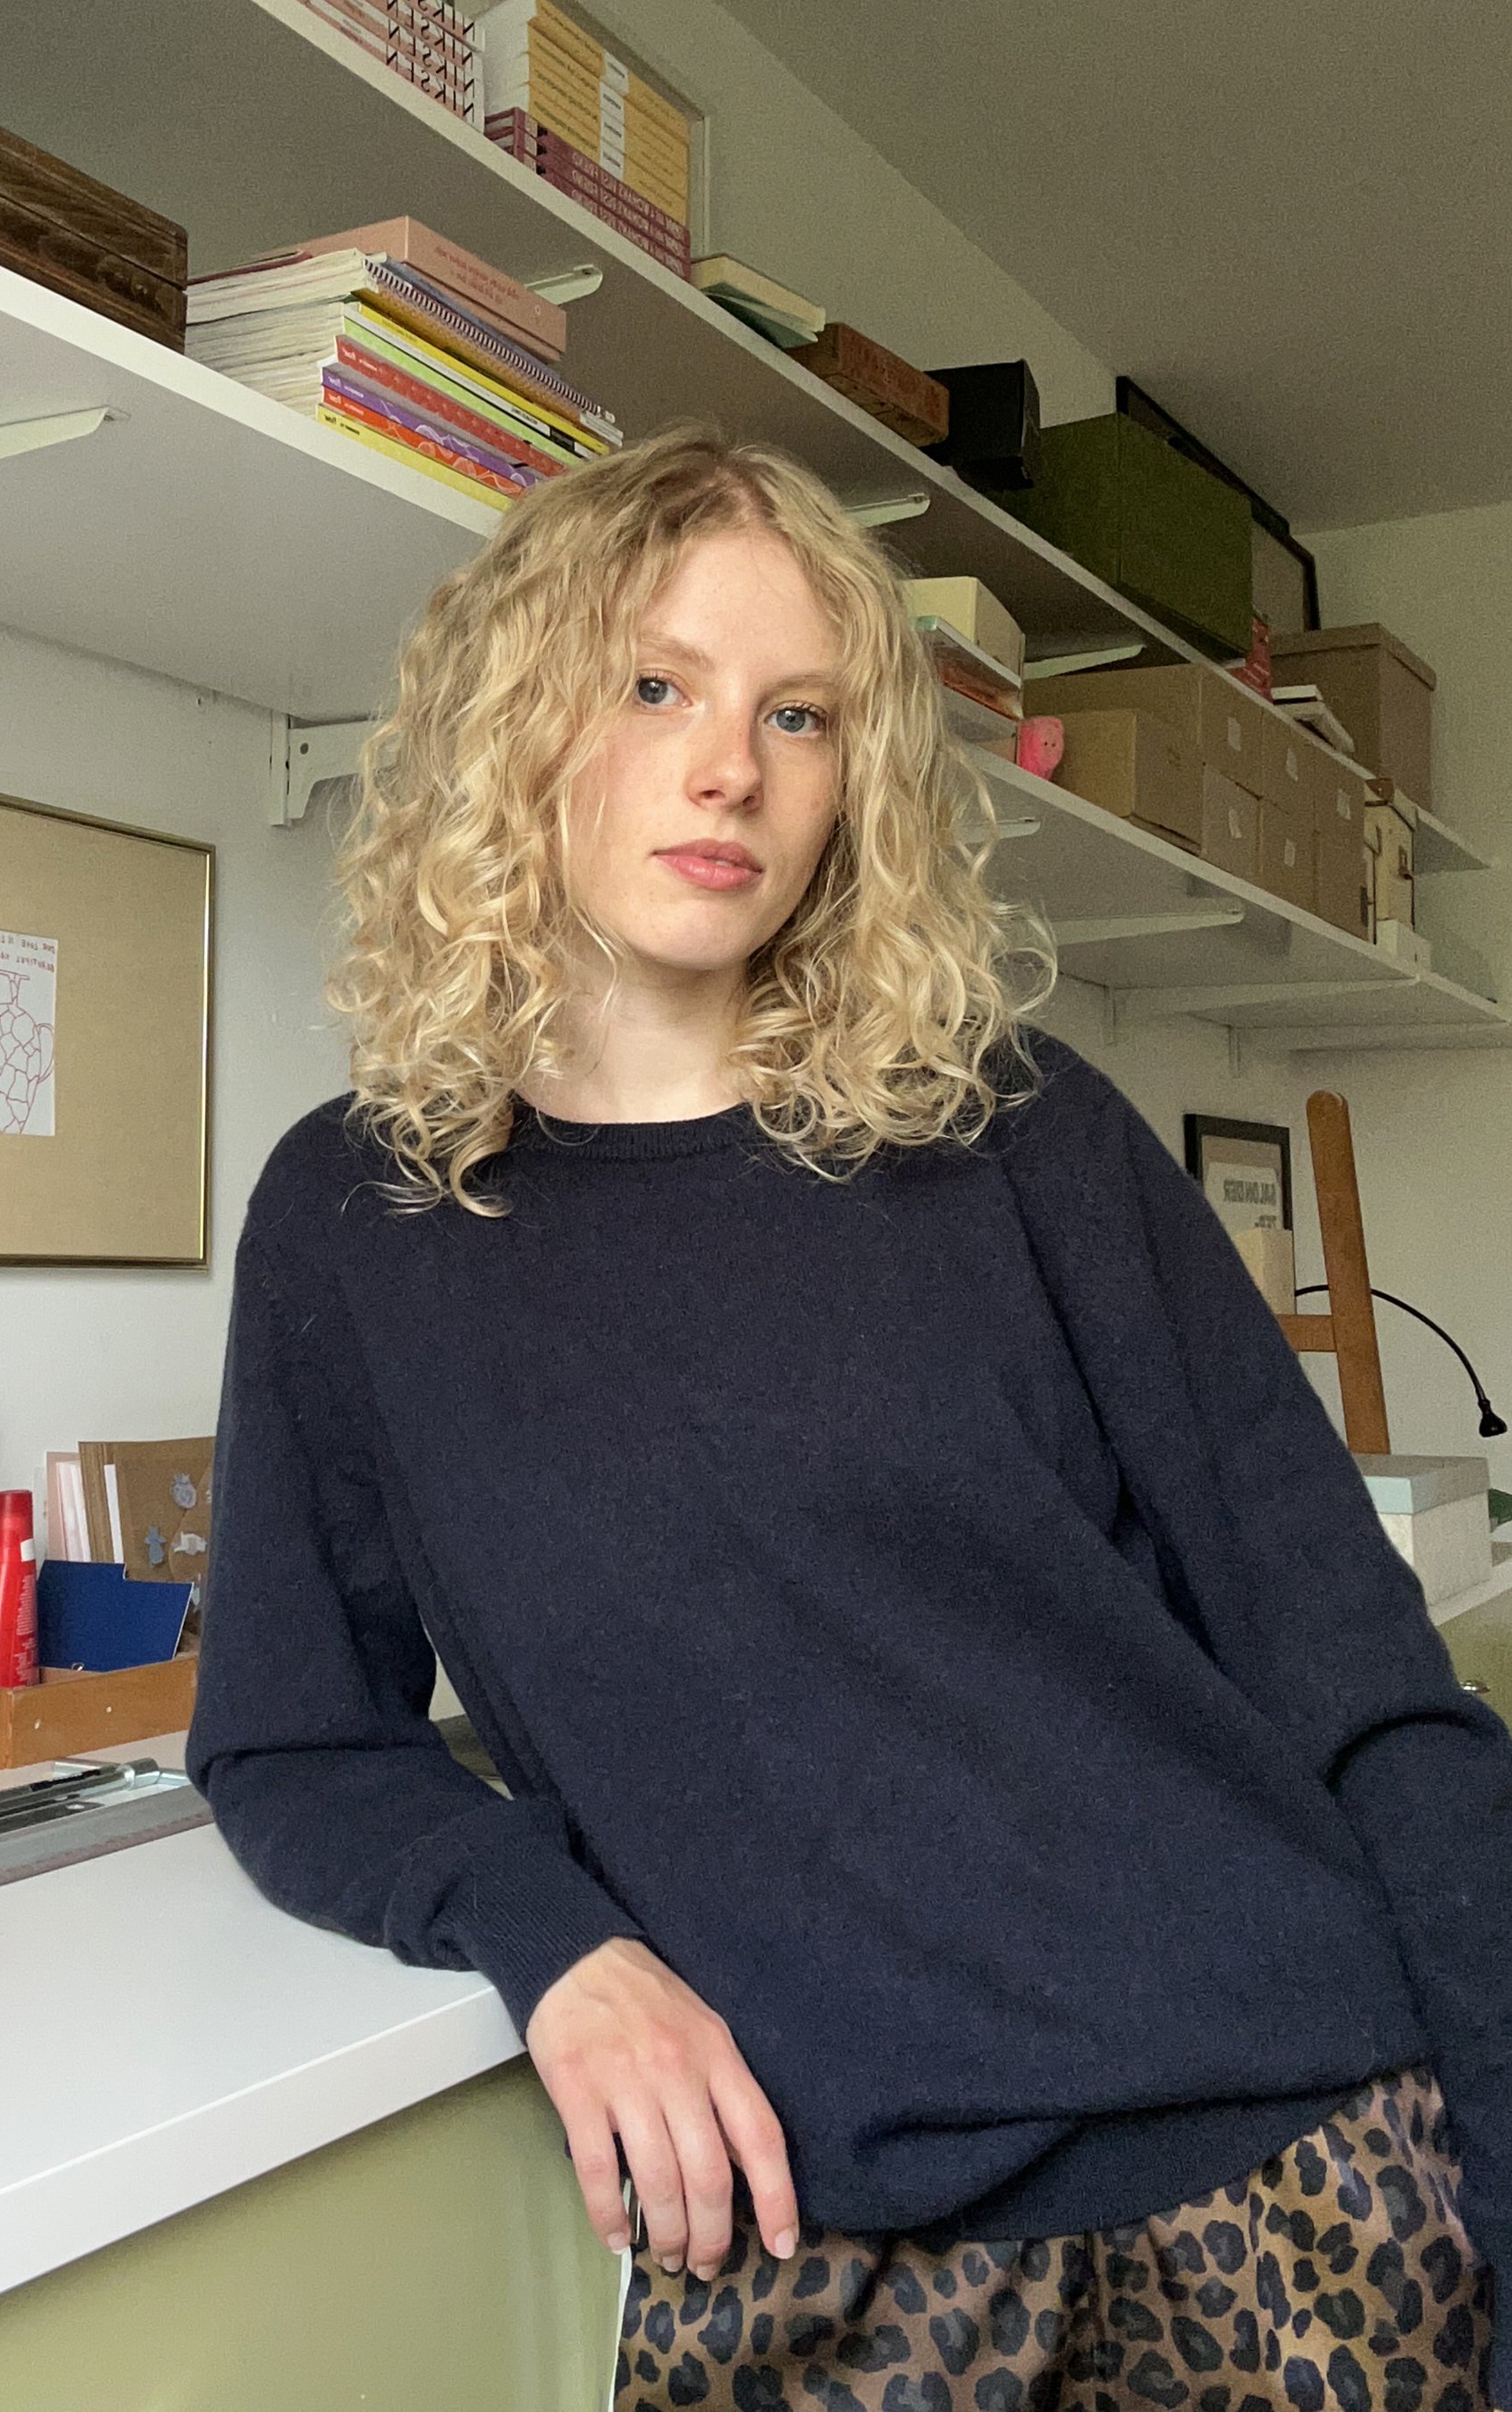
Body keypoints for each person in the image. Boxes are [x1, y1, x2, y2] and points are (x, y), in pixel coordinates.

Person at [188, 428, 1506, 2411]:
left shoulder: (1015, 1133)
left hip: (1288, 2171)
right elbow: (291, 1740)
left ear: (849, 784)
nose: (728, 767)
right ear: (512, 722)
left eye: (795, 715)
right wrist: (547, 1937)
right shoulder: (355, 1215)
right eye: (654, 687)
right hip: (803, 2245)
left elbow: (1362, 1685)